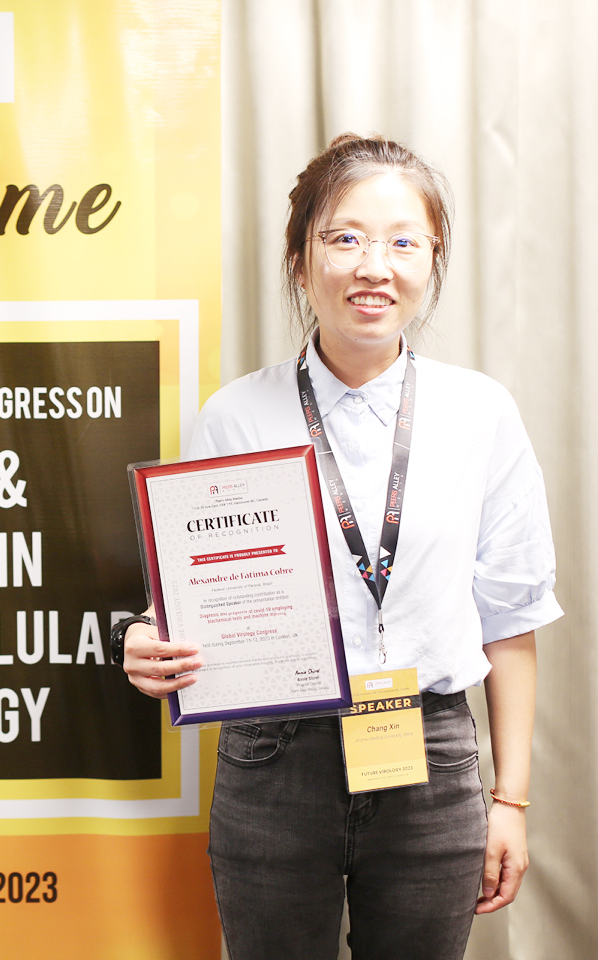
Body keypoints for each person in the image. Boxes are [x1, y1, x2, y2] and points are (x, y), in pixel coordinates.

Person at [114, 134, 562, 960]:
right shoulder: (235, 416)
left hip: (430, 757)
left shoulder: (481, 414)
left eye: (403, 242)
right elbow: (193, 594)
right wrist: (148, 638)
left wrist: (513, 800)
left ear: (432, 260)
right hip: (275, 760)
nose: (373, 266)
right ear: (300, 261)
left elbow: (511, 619)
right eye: (345, 238)